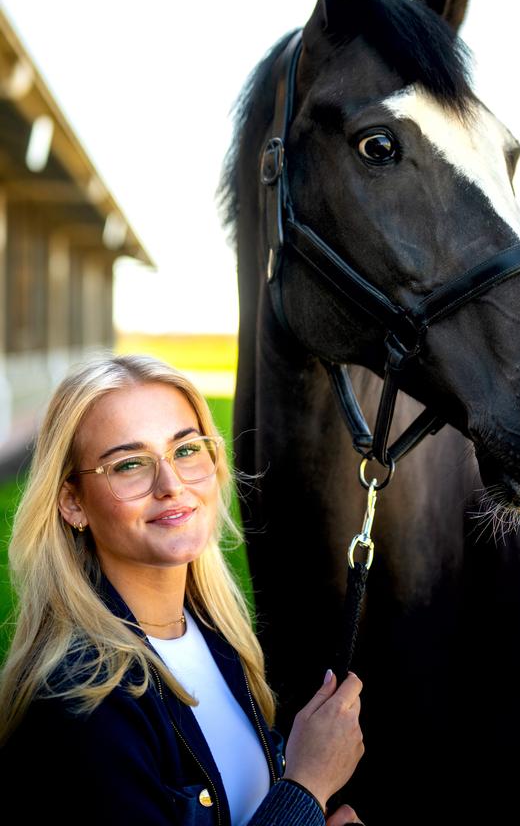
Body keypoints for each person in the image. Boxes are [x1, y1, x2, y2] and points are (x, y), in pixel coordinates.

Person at [0, 353, 364, 825]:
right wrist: (308, 787)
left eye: (186, 450)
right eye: (129, 464)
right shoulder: (82, 698)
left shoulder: (215, 637)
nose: (170, 484)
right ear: (73, 502)